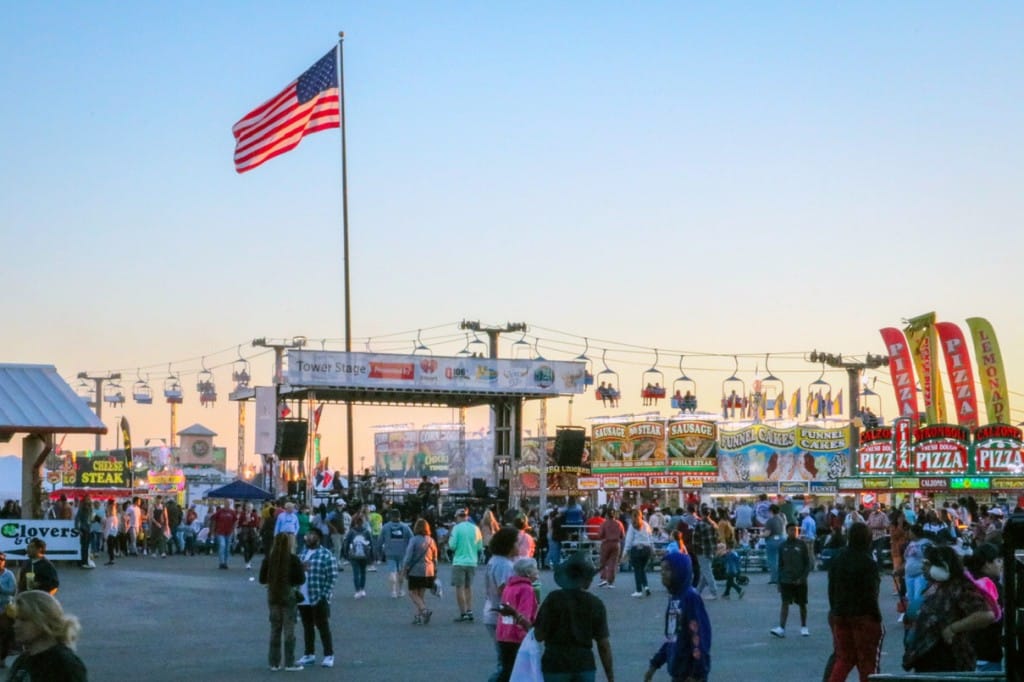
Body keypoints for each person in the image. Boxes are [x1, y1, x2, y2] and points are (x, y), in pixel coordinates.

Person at [903, 544, 996, 672]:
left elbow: (986, 615)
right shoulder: (935, 586)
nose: (923, 568)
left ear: (943, 567)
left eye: (928, 564)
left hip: (948, 660)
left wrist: (952, 628)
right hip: (928, 660)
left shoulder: (960, 587)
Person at [533, 551, 615, 682]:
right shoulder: (595, 603)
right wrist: (610, 677)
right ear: (586, 580)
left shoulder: (553, 599)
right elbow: (603, 644)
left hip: (555, 664)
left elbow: (539, 635)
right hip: (584, 664)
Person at [825, 522, 883, 682]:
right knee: (867, 662)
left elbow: (831, 587)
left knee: (844, 659)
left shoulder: (838, 558)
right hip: (863, 615)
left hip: (840, 612)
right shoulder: (867, 561)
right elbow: (871, 593)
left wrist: (834, 609)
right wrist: (876, 616)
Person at [643, 552, 711, 682]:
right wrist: (655, 664)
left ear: (680, 571)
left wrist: (697, 674)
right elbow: (672, 638)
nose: (662, 573)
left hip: (690, 675)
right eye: (661, 569)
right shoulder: (675, 598)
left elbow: (699, 637)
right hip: (678, 673)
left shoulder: (690, 598)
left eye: (668, 569)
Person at [7, 590, 87, 681]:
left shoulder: (64, 664)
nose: (16, 625)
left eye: (24, 620)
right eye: (16, 619)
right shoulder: (22, 662)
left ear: (44, 621)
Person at [259, 532, 306, 672]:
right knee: (289, 629)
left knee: (275, 628)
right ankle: (289, 662)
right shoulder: (293, 559)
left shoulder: (268, 559)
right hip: (288, 595)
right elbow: (301, 580)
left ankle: (274, 662)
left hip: (273, 595)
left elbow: (262, 579)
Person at [296, 528, 338, 669]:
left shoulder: (326, 554)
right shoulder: (302, 553)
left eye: (312, 535)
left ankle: (328, 655)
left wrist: (325, 595)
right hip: (303, 595)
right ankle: (309, 654)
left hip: (318, 595)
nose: (308, 537)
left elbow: (332, 576)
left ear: (318, 538)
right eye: (308, 535)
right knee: (307, 626)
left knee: (323, 626)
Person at [495, 558, 541, 682]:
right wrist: (526, 636)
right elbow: (523, 614)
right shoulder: (527, 589)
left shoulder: (510, 586)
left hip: (503, 633)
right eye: (535, 569)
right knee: (515, 672)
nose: (537, 572)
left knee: (506, 669)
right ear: (528, 572)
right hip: (516, 636)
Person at [484, 527, 520, 682]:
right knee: (507, 663)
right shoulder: (505, 565)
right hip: (502, 615)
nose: (519, 546)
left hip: (492, 611)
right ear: (509, 545)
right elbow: (504, 590)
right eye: (516, 543)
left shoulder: (495, 561)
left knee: (505, 660)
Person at [965, 543, 1004, 672]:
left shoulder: (973, 581)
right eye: (998, 561)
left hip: (975, 650)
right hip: (987, 650)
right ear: (987, 563)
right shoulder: (989, 585)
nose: (1001, 564)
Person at [770, 523, 812, 638]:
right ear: (787, 531)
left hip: (800, 580)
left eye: (795, 530)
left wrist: (803, 578)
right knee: (785, 603)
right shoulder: (782, 546)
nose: (793, 532)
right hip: (786, 580)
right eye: (791, 530)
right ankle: (781, 628)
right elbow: (780, 565)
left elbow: (807, 564)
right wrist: (779, 581)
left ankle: (804, 626)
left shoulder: (802, 545)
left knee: (802, 604)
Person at [400, 518, 438, 625]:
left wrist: (404, 568)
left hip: (415, 570)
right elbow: (435, 557)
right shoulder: (431, 540)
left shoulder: (414, 540)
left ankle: (424, 610)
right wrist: (435, 570)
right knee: (421, 595)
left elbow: (408, 556)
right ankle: (418, 616)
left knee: (412, 593)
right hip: (428, 571)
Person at [449, 507, 483, 623]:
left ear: (458, 517)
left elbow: (452, 546)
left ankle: (463, 613)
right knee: (468, 587)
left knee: (460, 587)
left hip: (459, 561)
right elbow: (479, 546)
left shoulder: (456, 528)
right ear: (467, 517)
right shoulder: (476, 529)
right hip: (472, 561)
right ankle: (470, 610)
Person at [379, 509, 413, 598]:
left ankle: (393, 591)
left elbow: (380, 541)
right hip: (403, 552)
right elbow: (412, 539)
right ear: (400, 516)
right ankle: (401, 590)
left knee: (392, 571)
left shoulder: (385, 527)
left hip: (390, 552)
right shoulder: (405, 527)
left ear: (390, 516)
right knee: (401, 572)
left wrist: (378, 551)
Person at [623, 509, 655, 597]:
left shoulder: (632, 526)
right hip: (646, 549)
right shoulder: (646, 524)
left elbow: (628, 540)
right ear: (641, 515)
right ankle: (646, 587)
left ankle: (638, 590)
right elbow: (650, 537)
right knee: (642, 569)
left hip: (636, 549)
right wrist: (653, 549)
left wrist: (625, 553)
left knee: (637, 570)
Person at [343, 514, 373, 598]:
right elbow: (371, 543)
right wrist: (372, 556)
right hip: (364, 555)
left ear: (355, 522)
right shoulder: (366, 531)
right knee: (363, 572)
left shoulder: (351, 531)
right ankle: (362, 589)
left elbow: (346, 543)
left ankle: (357, 590)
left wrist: (346, 554)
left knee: (356, 573)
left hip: (354, 555)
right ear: (363, 522)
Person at [692, 508, 718, 600]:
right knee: (705, 571)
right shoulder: (713, 524)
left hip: (701, 551)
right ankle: (698, 591)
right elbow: (716, 539)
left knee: (707, 572)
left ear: (701, 514)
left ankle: (713, 592)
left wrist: (694, 551)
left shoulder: (699, 525)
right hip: (711, 551)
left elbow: (695, 540)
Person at [596, 509, 624, 589]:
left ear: (607, 515)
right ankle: (610, 582)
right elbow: (622, 535)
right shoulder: (619, 523)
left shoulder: (604, 524)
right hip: (616, 544)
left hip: (606, 543)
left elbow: (600, 535)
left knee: (603, 562)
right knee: (613, 563)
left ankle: (603, 578)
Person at [210, 501, 238, 570]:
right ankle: (221, 563)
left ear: (230, 504)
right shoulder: (220, 512)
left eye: (228, 504)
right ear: (224, 504)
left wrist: (234, 530)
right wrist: (212, 532)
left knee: (227, 548)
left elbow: (235, 521)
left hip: (229, 532)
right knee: (222, 546)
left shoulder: (232, 512)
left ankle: (225, 563)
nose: (227, 505)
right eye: (226, 503)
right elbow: (213, 520)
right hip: (220, 532)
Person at [763, 504, 785, 584]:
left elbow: (767, 533)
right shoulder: (781, 519)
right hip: (781, 539)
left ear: (771, 511)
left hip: (772, 541)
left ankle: (774, 579)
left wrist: (758, 535)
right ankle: (781, 577)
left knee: (772, 560)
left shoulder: (770, 521)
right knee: (780, 560)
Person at [0, 553, 15, 669]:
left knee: (5, 635)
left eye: (1, 560)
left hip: (4, 609)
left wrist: (1, 588)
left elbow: (13, 591)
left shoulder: (9, 575)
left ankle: (2, 658)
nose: (0, 561)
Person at [237, 502, 261, 570]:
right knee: (246, 548)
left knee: (254, 547)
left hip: (252, 532)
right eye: (248, 507)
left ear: (252, 508)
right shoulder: (242, 515)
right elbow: (239, 524)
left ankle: (249, 559)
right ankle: (247, 562)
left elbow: (256, 524)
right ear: (245, 508)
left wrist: (251, 522)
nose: (249, 509)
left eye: (250, 507)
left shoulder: (254, 514)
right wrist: (244, 523)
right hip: (245, 532)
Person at [102, 500, 119, 566]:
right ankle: (112, 559)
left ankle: (111, 560)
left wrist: (105, 536)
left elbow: (108, 528)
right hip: (114, 534)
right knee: (111, 548)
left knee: (110, 548)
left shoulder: (110, 518)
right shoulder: (115, 517)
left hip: (110, 535)